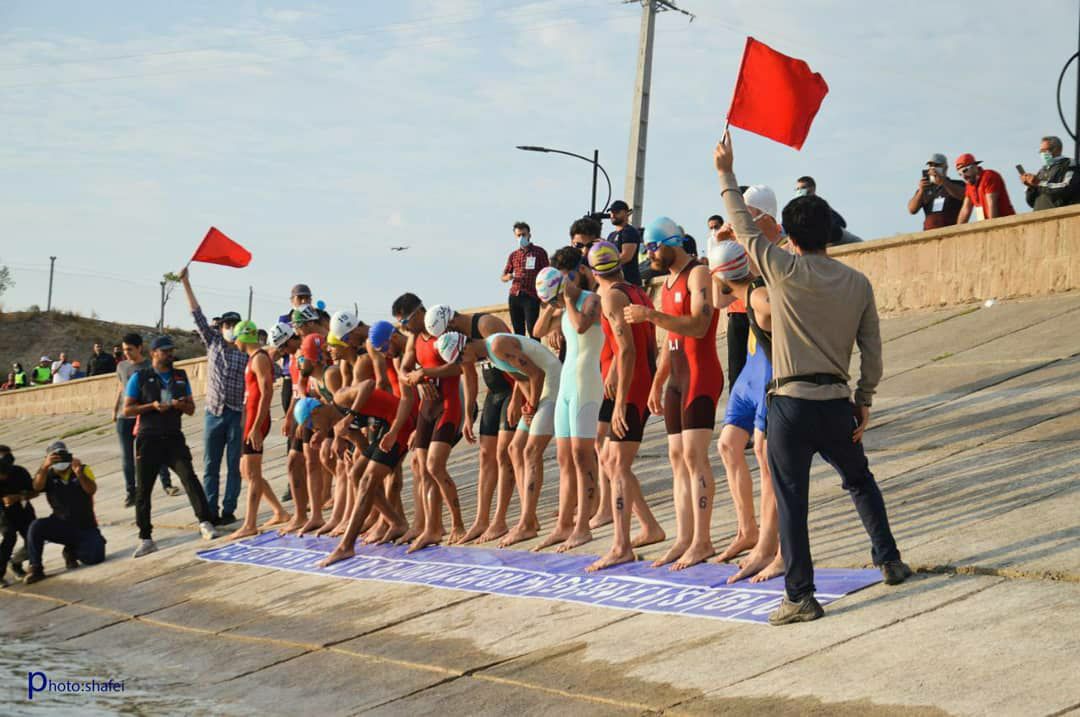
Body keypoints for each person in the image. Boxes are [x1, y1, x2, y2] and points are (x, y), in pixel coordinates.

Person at [715, 131, 912, 625]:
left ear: (790, 232)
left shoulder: (782, 269)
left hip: (790, 403)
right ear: (830, 232)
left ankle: (800, 596)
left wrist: (726, 172)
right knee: (860, 481)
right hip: (837, 399)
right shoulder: (857, 282)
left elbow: (743, 228)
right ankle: (889, 559)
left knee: (792, 500)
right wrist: (864, 398)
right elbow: (872, 349)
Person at [624, 215, 722, 571]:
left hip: (701, 375)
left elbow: (699, 325)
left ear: (672, 243)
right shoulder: (666, 283)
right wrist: (658, 380)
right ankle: (684, 537)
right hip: (677, 379)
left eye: (653, 247)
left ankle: (703, 540)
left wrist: (650, 316)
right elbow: (671, 340)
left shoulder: (698, 274)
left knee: (695, 457)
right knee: (677, 459)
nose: (649, 254)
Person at [584, 242, 665, 571]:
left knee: (616, 464)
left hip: (633, 388)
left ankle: (621, 546)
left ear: (593, 273)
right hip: (639, 380)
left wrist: (620, 403)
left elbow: (628, 349)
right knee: (610, 459)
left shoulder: (611, 297)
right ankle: (650, 526)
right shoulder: (636, 291)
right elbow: (645, 345)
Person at [709, 238, 783, 585]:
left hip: (766, 373)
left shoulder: (759, 291)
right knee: (727, 445)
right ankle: (747, 530)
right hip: (749, 374)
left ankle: (770, 546)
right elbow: (717, 300)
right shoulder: (742, 290)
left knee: (766, 461)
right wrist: (718, 252)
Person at [423, 303, 513, 543]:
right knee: (485, 455)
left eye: (444, 333)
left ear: (451, 322)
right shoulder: (458, 339)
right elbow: (469, 374)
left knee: (504, 454)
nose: (445, 338)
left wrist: (519, 398)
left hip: (512, 389)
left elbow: (516, 358)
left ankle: (500, 520)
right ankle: (482, 520)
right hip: (494, 394)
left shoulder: (486, 324)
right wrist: (469, 413)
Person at [531, 254, 603, 553]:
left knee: (581, 456)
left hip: (587, 384)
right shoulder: (560, 307)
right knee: (563, 458)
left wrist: (568, 300)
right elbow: (537, 332)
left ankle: (582, 526)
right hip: (567, 386)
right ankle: (563, 524)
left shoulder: (590, 300)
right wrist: (551, 307)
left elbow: (582, 326)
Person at [123, 335, 218, 557]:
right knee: (144, 489)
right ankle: (146, 537)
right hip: (149, 438)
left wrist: (179, 405)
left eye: (171, 351)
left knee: (189, 477)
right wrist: (152, 406)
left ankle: (205, 522)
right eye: (165, 351)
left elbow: (191, 409)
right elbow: (127, 410)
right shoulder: (140, 377)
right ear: (153, 353)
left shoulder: (180, 376)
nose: (169, 355)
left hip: (173, 436)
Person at [393, 293, 468, 550]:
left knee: (435, 466)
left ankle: (458, 523)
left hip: (448, 405)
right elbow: (403, 370)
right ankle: (432, 528)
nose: (404, 328)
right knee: (422, 468)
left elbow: (459, 367)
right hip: (426, 408)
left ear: (419, 313)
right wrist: (416, 380)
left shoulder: (443, 333)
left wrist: (425, 373)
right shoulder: (414, 339)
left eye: (405, 322)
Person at [178, 267, 248, 526]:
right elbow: (197, 315)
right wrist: (186, 283)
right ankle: (209, 509)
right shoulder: (214, 342)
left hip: (236, 414)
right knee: (210, 465)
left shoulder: (246, 352)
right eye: (226, 325)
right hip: (214, 413)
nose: (229, 328)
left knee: (234, 465)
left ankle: (229, 509)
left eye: (234, 325)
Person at [481, 331, 562, 548]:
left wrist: (532, 405)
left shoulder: (497, 345)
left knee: (531, 451)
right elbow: (521, 377)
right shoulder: (489, 354)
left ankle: (527, 523)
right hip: (539, 390)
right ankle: (529, 517)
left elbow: (537, 374)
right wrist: (527, 405)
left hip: (553, 382)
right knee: (515, 448)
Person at [226, 321, 290, 540]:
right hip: (250, 420)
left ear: (243, 337)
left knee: (252, 473)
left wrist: (255, 427)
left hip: (256, 421)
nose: (235, 342)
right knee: (246, 471)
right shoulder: (253, 358)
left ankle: (250, 524)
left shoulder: (259, 358)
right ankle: (279, 511)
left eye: (236, 338)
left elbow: (267, 392)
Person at [23, 441, 107, 584]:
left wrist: (79, 473)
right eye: (55, 456)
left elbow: (91, 490)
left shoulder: (82, 469)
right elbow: (37, 487)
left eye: (62, 455)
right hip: (61, 523)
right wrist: (44, 466)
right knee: (36, 526)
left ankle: (71, 550)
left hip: (85, 525)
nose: (59, 459)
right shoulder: (48, 475)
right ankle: (35, 567)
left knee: (95, 558)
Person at [114, 333, 178, 507]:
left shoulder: (150, 366)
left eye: (130, 349)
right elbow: (121, 388)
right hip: (124, 417)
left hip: (145, 416)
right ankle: (131, 492)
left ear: (140, 348)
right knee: (127, 457)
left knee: (156, 451)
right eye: (124, 349)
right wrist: (115, 409)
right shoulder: (121, 366)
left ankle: (167, 484)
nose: (126, 353)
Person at [502, 221, 549, 339]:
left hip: (531, 296)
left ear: (529, 235)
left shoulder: (539, 252)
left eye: (523, 234)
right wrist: (508, 277)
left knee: (533, 331)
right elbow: (503, 276)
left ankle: (535, 351)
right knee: (518, 333)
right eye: (518, 235)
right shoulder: (513, 255)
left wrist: (545, 296)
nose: (521, 238)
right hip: (515, 295)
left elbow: (546, 273)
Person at [0, 446, 36, 586]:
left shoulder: (19, 472)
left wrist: (19, 497)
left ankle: (15, 563)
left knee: (33, 537)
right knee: (9, 537)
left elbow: (34, 491)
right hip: (3, 513)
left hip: (23, 509)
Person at [907, 153, 966, 230]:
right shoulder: (925, 188)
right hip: (929, 233)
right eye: (931, 165)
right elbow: (912, 210)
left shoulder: (957, 184)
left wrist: (943, 181)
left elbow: (963, 195)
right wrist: (921, 191)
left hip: (951, 231)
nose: (933, 168)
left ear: (945, 168)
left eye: (937, 165)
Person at [794, 177, 860, 245]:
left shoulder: (819, 204)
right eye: (797, 189)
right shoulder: (796, 208)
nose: (800, 191)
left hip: (837, 236)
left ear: (813, 189)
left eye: (803, 188)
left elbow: (841, 223)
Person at [1022, 135, 1080, 211]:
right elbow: (1031, 203)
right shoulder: (1042, 170)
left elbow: (1067, 188)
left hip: (1061, 214)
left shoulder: (1068, 163)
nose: (1042, 154)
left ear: (1057, 149)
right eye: (1041, 151)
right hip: (1039, 215)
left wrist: (1039, 183)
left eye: (1045, 150)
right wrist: (1031, 187)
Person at [956, 153, 1016, 223]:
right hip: (987, 224)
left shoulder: (989, 176)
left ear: (974, 166)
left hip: (1006, 223)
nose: (963, 176)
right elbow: (965, 210)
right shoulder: (969, 185)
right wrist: (958, 229)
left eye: (965, 171)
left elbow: (991, 204)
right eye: (960, 174)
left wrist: (992, 226)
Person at [607, 200, 642, 287]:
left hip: (629, 282)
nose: (613, 215)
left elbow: (626, 257)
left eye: (617, 212)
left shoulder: (629, 231)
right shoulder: (611, 235)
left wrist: (605, 265)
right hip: (614, 282)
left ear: (626, 213)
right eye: (611, 212)